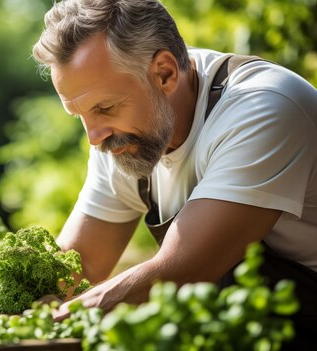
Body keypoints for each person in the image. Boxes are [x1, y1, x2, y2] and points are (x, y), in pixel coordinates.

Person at [32, 0, 317, 347]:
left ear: (164, 73)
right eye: (80, 115)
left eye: (103, 108)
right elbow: (77, 265)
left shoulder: (265, 108)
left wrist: (54, 320)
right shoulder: (122, 136)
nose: (94, 137)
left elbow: (184, 270)